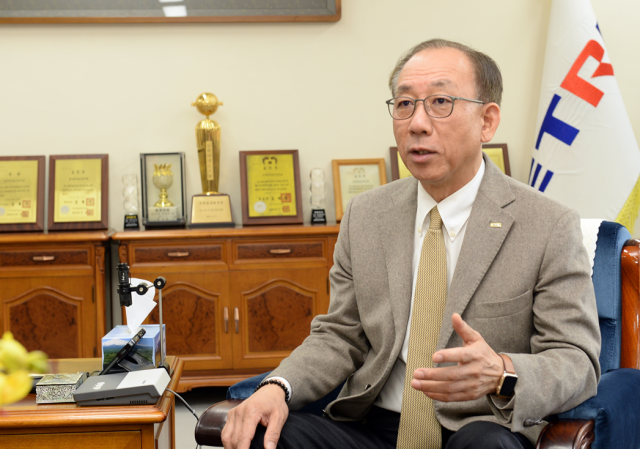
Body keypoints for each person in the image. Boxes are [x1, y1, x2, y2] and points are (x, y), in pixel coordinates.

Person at [221, 39, 601, 449]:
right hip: (375, 427)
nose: (417, 123)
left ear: (487, 121)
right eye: (404, 105)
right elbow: (339, 336)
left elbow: (576, 359)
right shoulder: (367, 215)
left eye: (440, 102)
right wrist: (277, 386)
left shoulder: (547, 224)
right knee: (267, 435)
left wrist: (503, 373)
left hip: (478, 427)